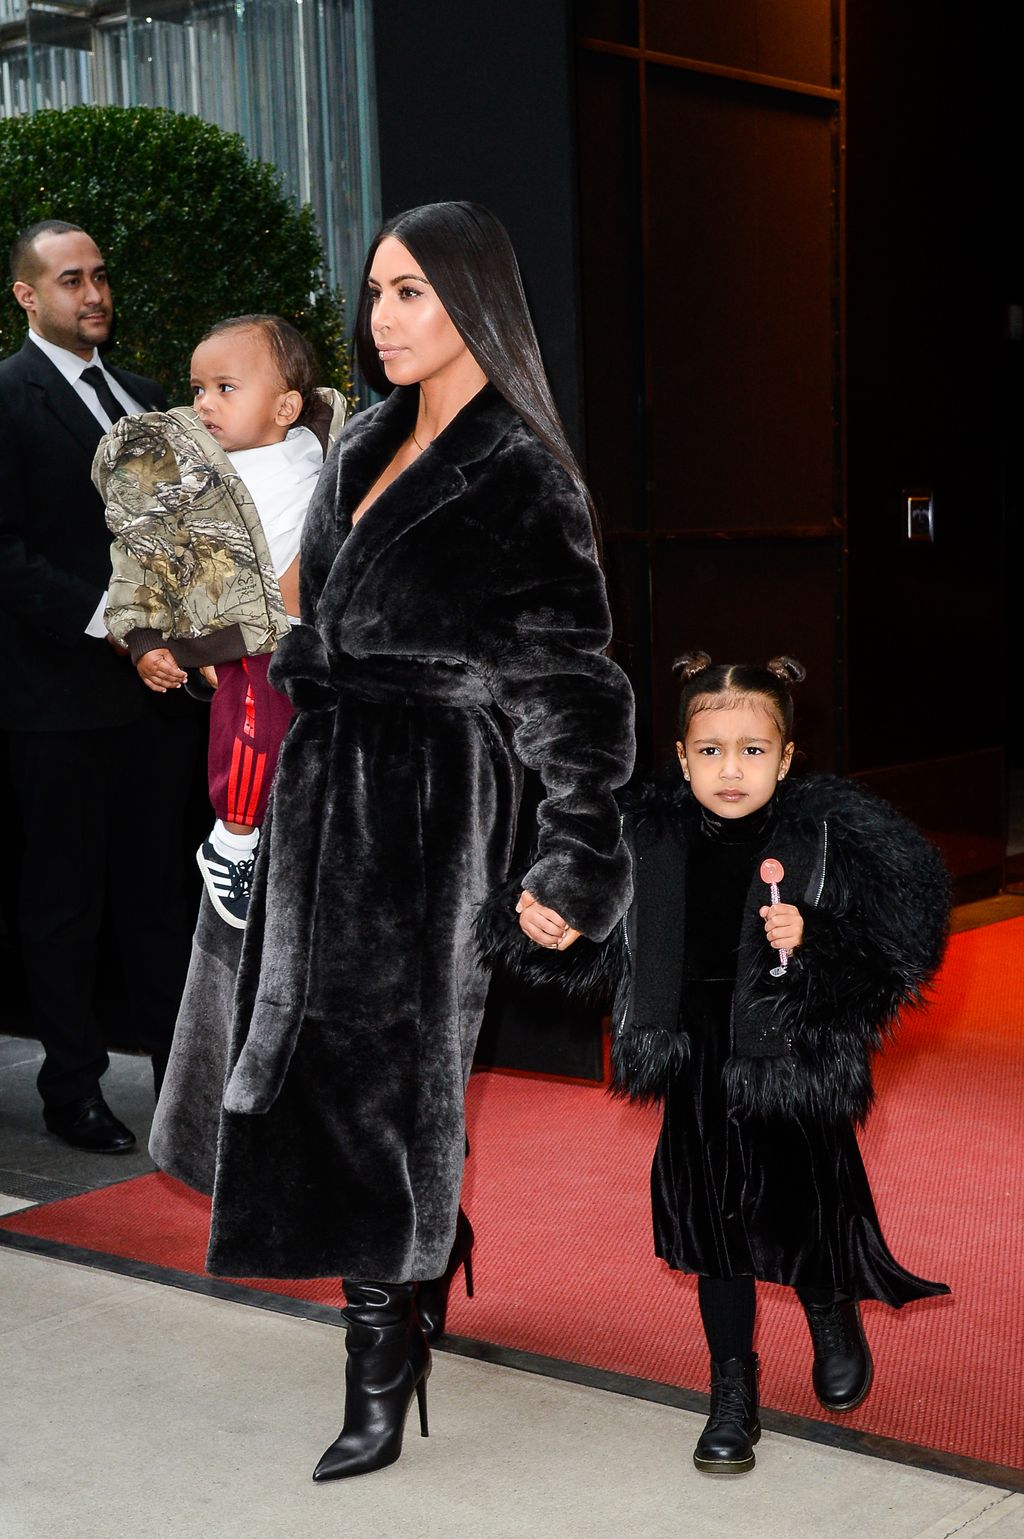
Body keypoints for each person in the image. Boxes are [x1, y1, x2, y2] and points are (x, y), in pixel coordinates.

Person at [183, 200, 635, 1482]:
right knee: (318, 1061)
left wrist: (575, 851)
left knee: (390, 1079)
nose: (382, 319)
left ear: (476, 302)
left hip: (434, 806)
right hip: (323, 787)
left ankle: (380, 1362)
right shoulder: (365, 436)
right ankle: (416, 1267)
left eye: (412, 294)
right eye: (376, 291)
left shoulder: (522, 471)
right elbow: (299, 614)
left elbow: (574, 681)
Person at [605, 652, 950, 1474]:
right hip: (695, 1053)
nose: (732, 768)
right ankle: (732, 1393)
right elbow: (594, 932)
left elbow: (903, 952)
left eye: (753, 749)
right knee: (712, 1223)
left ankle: (830, 1309)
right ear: (681, 757)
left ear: (787, 757)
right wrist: (542, 918)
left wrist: (819, 939)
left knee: (803, 1208)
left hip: (791, 1056)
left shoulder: (829, 835)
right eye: (712, 749)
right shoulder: (649, 836)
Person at [0, 219, 202, 1153]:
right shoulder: (6, 398)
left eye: (101, 276)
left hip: (156, 697)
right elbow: (8, 559)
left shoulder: (149, 397)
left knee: (162, 897)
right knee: (65, 904)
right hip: (56, 704)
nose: (93, 293)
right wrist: (117, 627)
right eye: (71, 279)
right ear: (28, 296)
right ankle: (71, 1087)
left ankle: (177, 1087)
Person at [96, 314, 347, 927]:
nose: (205, 403)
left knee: (311, 745)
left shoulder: (318, 449)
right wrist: (146, 640)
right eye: (198, 388)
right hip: (235, 637)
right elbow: (142, 560)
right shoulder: (185, 477)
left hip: (315, 637)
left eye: (226, 388)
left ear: (286, 406)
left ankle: (278, 838)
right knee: (252, 726)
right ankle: (231, 841)